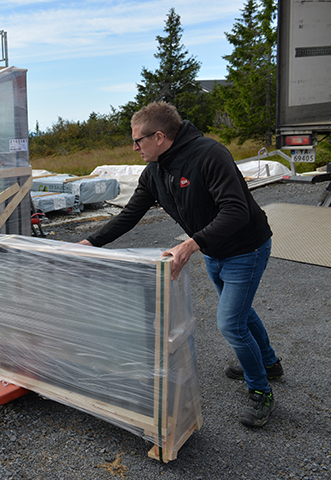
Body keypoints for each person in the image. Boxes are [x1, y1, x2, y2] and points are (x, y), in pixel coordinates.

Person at [78, 102, 283, 427]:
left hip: (247, 247)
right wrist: (90, 243)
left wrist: (190, 245)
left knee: (231, 323)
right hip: (214, 251)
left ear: (159, 136)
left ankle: (261, 390)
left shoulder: (209, 155)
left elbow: (236, 210)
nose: (134, 148)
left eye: (138, 140)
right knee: (241, 314)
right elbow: (129, 215)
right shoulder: (155, 172)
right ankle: (269, 362)